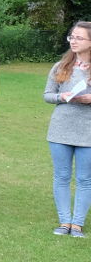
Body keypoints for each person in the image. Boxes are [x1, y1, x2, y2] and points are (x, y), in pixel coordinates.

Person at [42, 21, 91, 238]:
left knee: (85, 179)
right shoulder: (60, 66)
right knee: (61, 176)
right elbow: (47, 95)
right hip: (60, 129)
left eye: (79, 37)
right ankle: (64, 222)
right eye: (72, 36)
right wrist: (61, 97)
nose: (73, 40)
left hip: (87, 131)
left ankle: (78, 224)